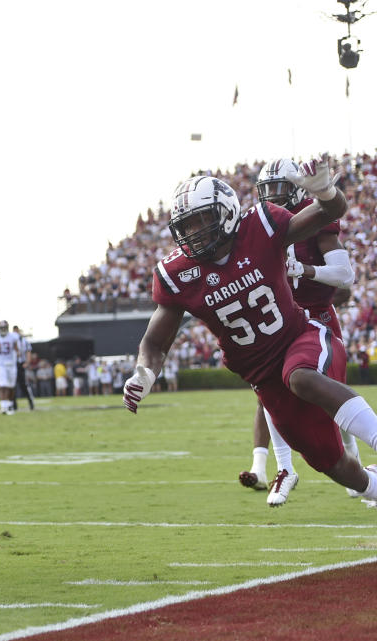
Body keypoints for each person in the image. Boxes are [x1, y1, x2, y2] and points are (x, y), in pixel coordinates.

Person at [124, 160, 377, 507]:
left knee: (300, 376)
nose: (195, 232)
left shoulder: (261, 226)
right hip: (263, 376)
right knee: (331, 464)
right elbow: (155, 341)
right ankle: (374, 488)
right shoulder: (178, 273)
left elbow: (327, 212)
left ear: (226, 213)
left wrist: (326, 193)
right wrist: (145, 371)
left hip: (300, 337)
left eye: (202, 220)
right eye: (187, 225)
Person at [238, 159, 357, 506]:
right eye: (267, 191)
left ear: (296, 191)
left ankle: (351, 454)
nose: (272, 197)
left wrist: (305, 270)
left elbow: (345, 275)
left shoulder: (314, 216)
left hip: (317, 316)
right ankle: (284, 467)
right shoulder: (261, 224)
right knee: (271, 391)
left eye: (279, 189)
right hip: (282, 321)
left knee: (331, 395)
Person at [0, 320, 21, 415]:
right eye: (1, 328)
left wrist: (18, 354)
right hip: (0, 364)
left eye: (4, 328)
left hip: (11, 364)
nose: (3, 329)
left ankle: (10, 405)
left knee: (11, 387)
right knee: (3, 385)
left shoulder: (13, 337)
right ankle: (4, 407)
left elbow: (16, 349)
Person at [12, 325, 35, 411]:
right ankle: (14, 405)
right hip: (12, 365)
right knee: (12, 385)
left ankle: (30, 402)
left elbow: (28, 352)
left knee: (23, 385)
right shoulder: (11, 340)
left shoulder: (24, 341)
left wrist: (27, 362)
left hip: (21, 364)